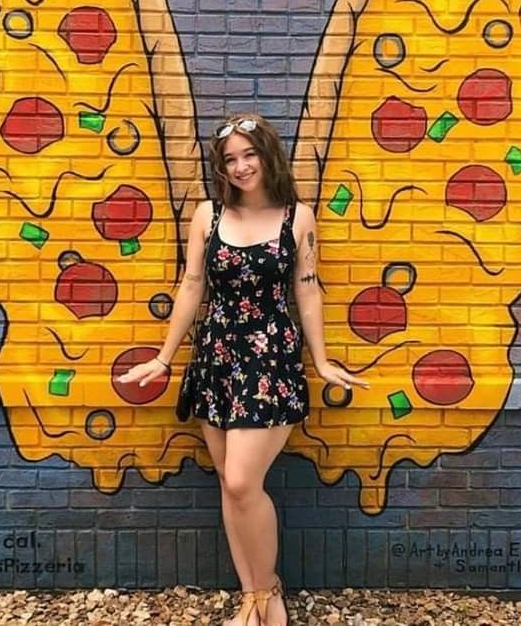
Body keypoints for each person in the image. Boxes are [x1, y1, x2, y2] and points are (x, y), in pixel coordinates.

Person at [119, 114, 368, 626]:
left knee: (239, 481)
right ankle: (254, 600)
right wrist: (165, 357)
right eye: (230, 159)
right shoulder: (207, 216)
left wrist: (320, 361)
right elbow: (191, 285)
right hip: (216, 361)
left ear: (267, 154)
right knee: (233, 490)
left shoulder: (298, 218)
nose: (240, 167)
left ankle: (267, 590)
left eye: (248, 154)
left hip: (270, 362)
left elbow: (307, 290)